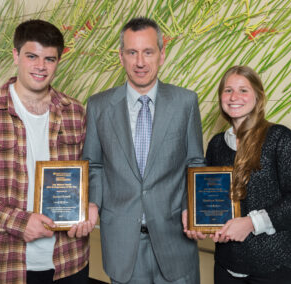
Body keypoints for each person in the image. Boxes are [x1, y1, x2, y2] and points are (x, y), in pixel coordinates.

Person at [0, 19, 93, 284]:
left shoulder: (76, 112)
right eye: (32, 56)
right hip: (10, 263)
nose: (41, 66)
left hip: (70, 261)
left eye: (49, 59)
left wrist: (91, 205)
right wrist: (19, 222)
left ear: (59, 61)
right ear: (16, 55)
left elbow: (91, 173)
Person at [82, 17, 205, 284]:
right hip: (123, 243)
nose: (140, 62)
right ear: (121, 56)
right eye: (132, 52)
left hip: (175, 238)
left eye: (148, 52)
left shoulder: (186, 102)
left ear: (162, 54)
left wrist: (191, 207)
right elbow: (94, 165)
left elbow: (194, 162)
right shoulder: (98, 106)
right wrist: (92, 202)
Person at [205, 65, 291, 283]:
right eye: (228, 90)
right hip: (227, 267)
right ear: (221, 97)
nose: (234, 96)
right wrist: (204, 223)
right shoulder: (216, 144)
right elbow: (212, 198)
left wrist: (251, 223)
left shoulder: (279, 139)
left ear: (258, 97)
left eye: (243, 90)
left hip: (274, 268)